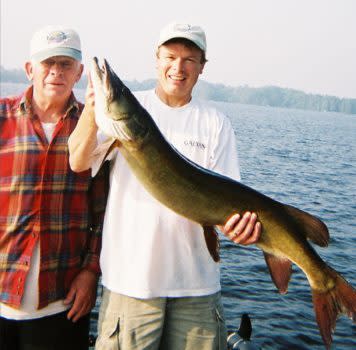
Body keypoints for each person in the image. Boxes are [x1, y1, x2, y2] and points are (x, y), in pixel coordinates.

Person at [69, 22, 261, 350]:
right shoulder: (125, 113)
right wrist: (92, 108)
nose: (178, 66)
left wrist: (238, 229)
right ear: (156, 59)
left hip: (197, 289)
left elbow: (228, 204)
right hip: (132, 286)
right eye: (170, 56)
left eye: (189, 58)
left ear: (202, 66)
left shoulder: (215, 123)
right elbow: (78, 161)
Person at [0, 25, 108, 350]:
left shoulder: (97, 129)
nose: (56, 72)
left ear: (79, 73)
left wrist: (90, 272)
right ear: (30, 69)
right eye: (48, 63)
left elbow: (103, 213)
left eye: (66, 64)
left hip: (62, 303)